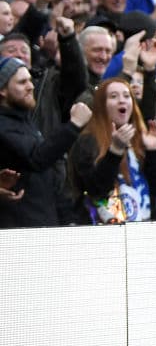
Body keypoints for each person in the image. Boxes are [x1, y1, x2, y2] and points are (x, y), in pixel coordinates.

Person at [0, 57, 93, 228]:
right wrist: (74, 126)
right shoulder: (3, 126)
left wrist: (67, 219)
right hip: (15, 233)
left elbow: (49, 179)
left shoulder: (26, 123)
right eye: (22, 82)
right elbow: (37, 158)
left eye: (30, 80)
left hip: (44, 224)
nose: (31, 86)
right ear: (2, 91)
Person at [68, 78, 156, 223]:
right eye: (113, 96)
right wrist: (115, 151)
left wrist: (153, 150)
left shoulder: (140, 137)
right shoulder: (87, 141)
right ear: (102, 105)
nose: (122, 101)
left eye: (127, 96)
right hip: (102, 229)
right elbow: (96, 190)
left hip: (143, 227)